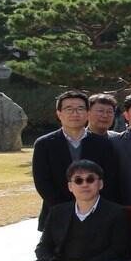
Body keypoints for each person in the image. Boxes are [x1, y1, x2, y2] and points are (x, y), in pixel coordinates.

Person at [32, 90, 117, 229]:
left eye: (80, 109)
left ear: (88, 113)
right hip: (57, 214)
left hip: (97, 215)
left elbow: (109, 179)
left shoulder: (103, 144)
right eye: (69, 109)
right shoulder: (44, 144)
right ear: (59, 113)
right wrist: (67, 210)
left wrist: (91, 209)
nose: (75, 113)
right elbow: (42, 182)